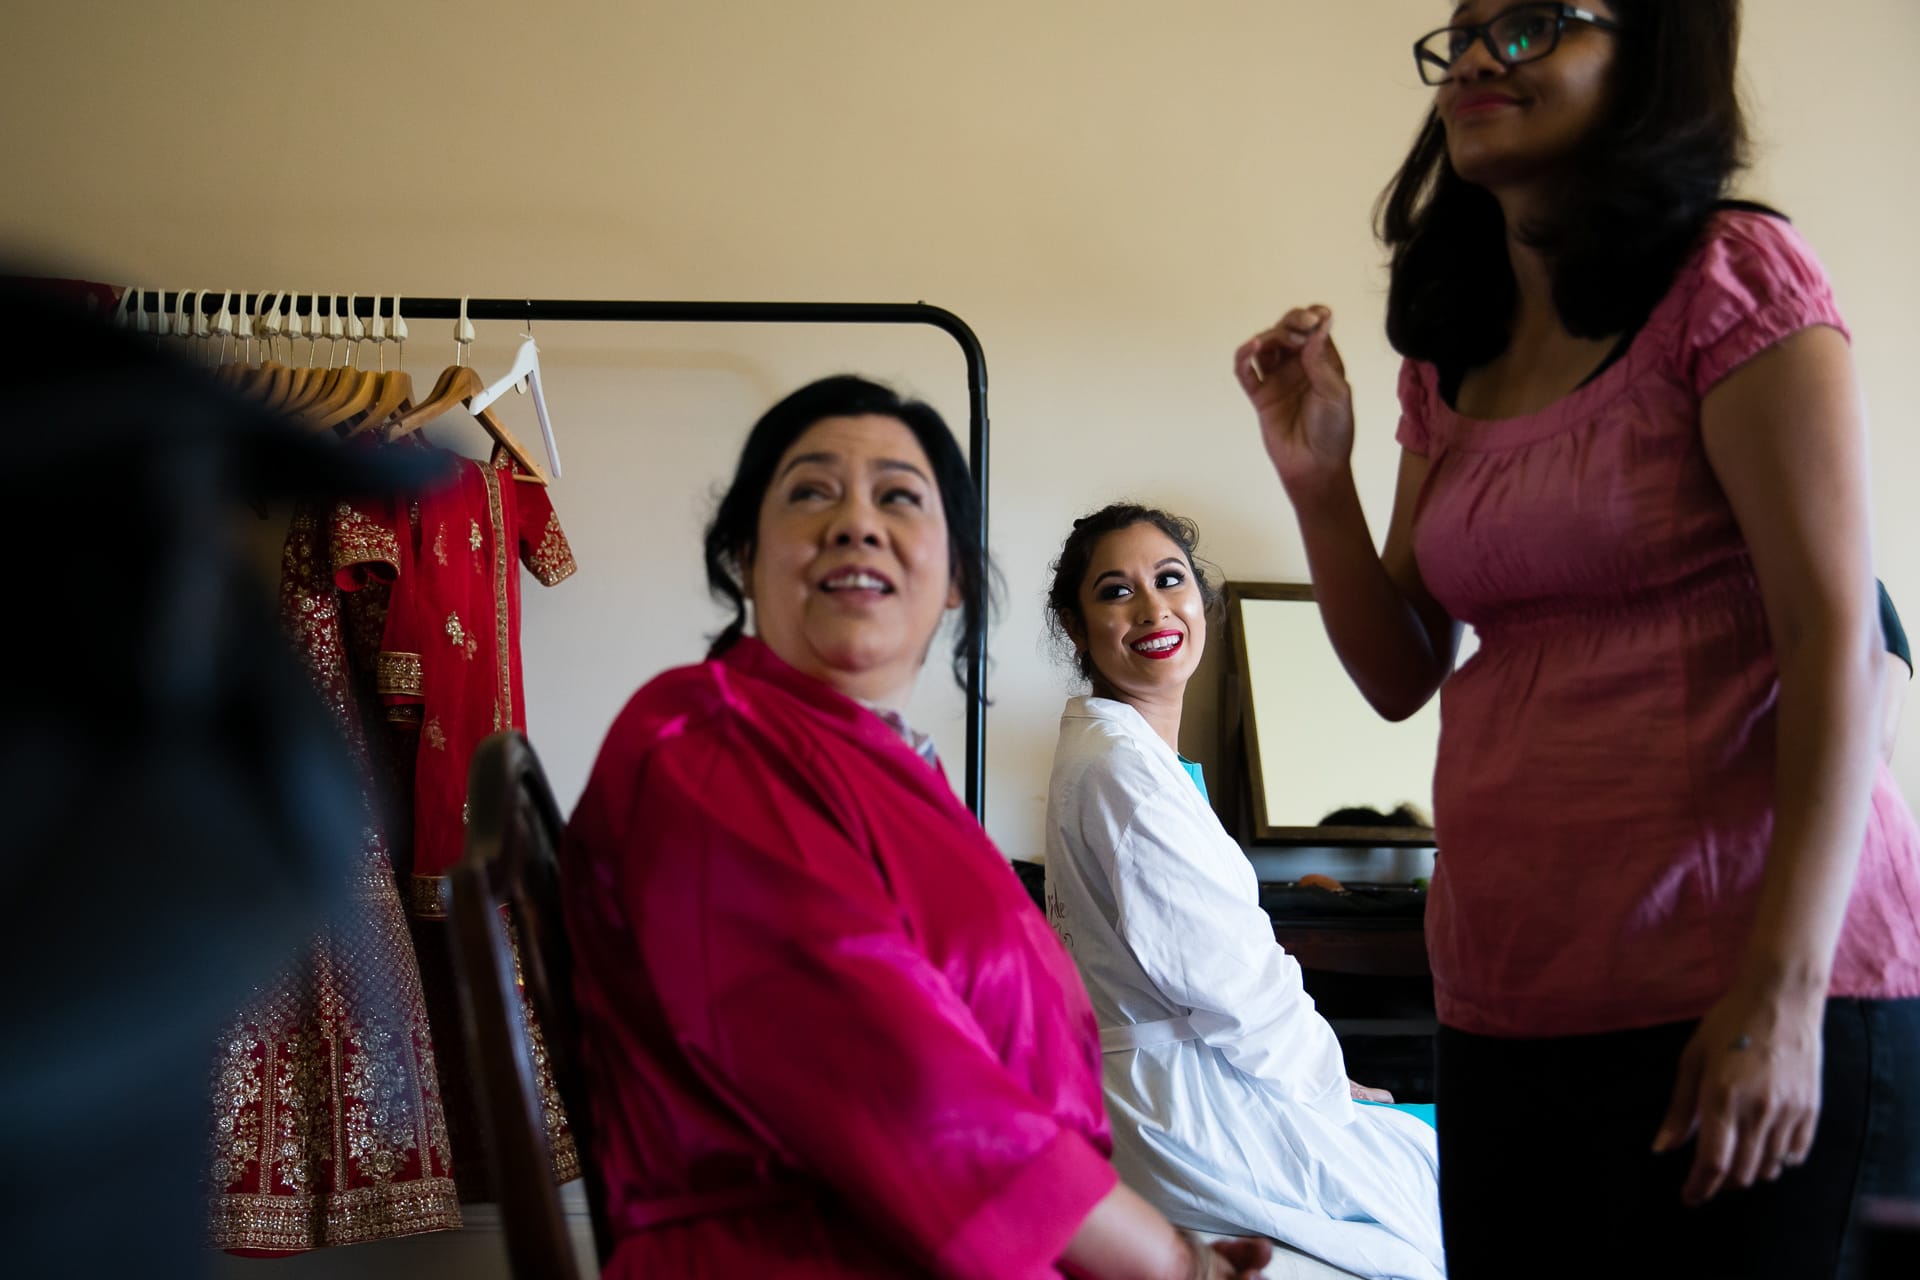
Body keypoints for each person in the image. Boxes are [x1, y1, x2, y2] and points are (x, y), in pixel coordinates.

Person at [1232, 3, 1920, 1275]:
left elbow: (1836, 642)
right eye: (1466, 32)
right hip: (1512, 997)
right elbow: (1399, 670)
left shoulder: (1735, 278)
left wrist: (1780, 994)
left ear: (1652, 57)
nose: (1485, 56)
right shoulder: (1453, 348)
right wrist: (1317, 480)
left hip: (1743, 987)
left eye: (1540, 22)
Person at [561, 378, 1271, 1279]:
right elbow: (910, 1088)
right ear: (744, 552)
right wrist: (1173, 1263)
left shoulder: (897, 771)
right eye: (813, 491)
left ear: (953, 581)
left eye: (899, 497)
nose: (858, 523)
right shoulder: (703, 750)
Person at [1041, 503, 1446, 1280]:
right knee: (1428, 1191)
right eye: (1116, 592)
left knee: (1419, 1164)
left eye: (1170, 580)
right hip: (1186, 1113)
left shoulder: (1116, 750)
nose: (1154, 609)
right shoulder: (1125, 774)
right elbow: (1236, 989)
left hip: (1161, 1091)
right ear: (1073, 623)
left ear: (1202, 598)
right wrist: (1334, 1086)